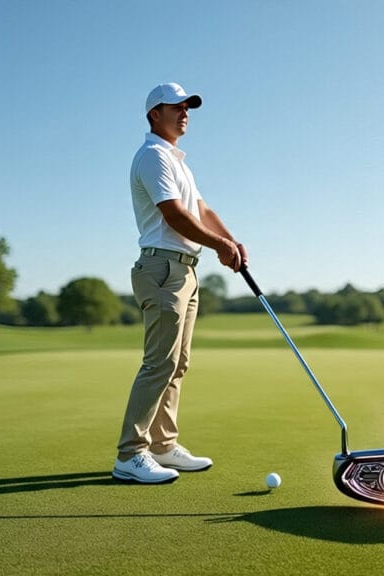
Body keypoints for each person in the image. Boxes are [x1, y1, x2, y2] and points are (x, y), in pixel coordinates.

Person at [113, 82, 248, 484]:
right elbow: (173, 214)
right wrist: (221, 245)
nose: (185, 112)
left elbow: (200, 208)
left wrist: (230, 240)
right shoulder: (152, 157)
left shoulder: (178, 161)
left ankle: (163, 445)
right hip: (162, 270)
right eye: (176, 107)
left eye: (188, 106)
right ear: (155, 114)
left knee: (178, 363)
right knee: (159, 363)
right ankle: (130, 454)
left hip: (186, 269)